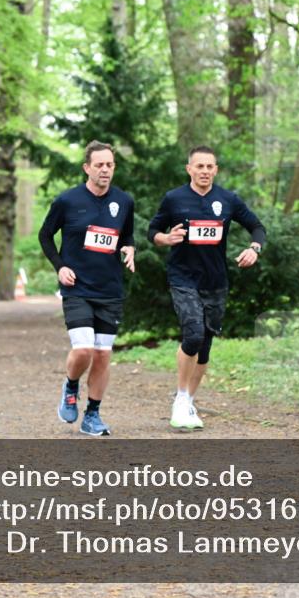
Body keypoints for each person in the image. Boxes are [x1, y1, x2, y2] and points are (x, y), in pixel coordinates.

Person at [148, 146, 266, 430]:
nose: (204, 171)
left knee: (204, 348)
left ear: (216, 170)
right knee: (192, 334)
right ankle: (180, 398)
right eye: (199, 166)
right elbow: (152, 231)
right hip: (183, 277)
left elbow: (257, 227)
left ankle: (188, 400)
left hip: (216, 281)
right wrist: (166, 238)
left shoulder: (227, 199)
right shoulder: (174, 199)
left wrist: (254, 248)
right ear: (189, 169)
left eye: (209, 167)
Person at [39, 140, 135, 436]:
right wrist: (60, 266)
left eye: (109, 165)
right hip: (77, 287)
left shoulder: (124, 201)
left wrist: (130, 249)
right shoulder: (67, 201)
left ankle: (92, 414)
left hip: (110, 289)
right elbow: (45, 236)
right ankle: (70, 386)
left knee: (103, 354)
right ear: (87, 168)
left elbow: (126, 235)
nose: (105, 170)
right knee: (83, 350)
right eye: (99, 165)